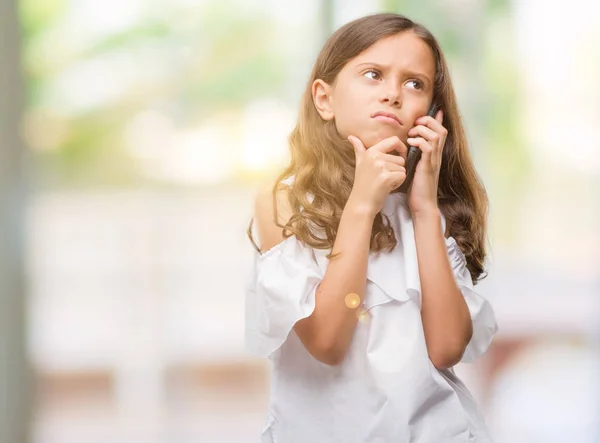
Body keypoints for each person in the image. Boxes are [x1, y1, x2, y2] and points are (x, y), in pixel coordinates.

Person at [244, 12, 498, 443]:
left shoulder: (433, 208)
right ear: (324, 99)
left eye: (415, 83)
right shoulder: (283, 201)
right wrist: (362, 203)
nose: (394, 94)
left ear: (432, 113)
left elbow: (447, 346)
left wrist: (422, 210)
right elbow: (327, 340)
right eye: (373, 74)